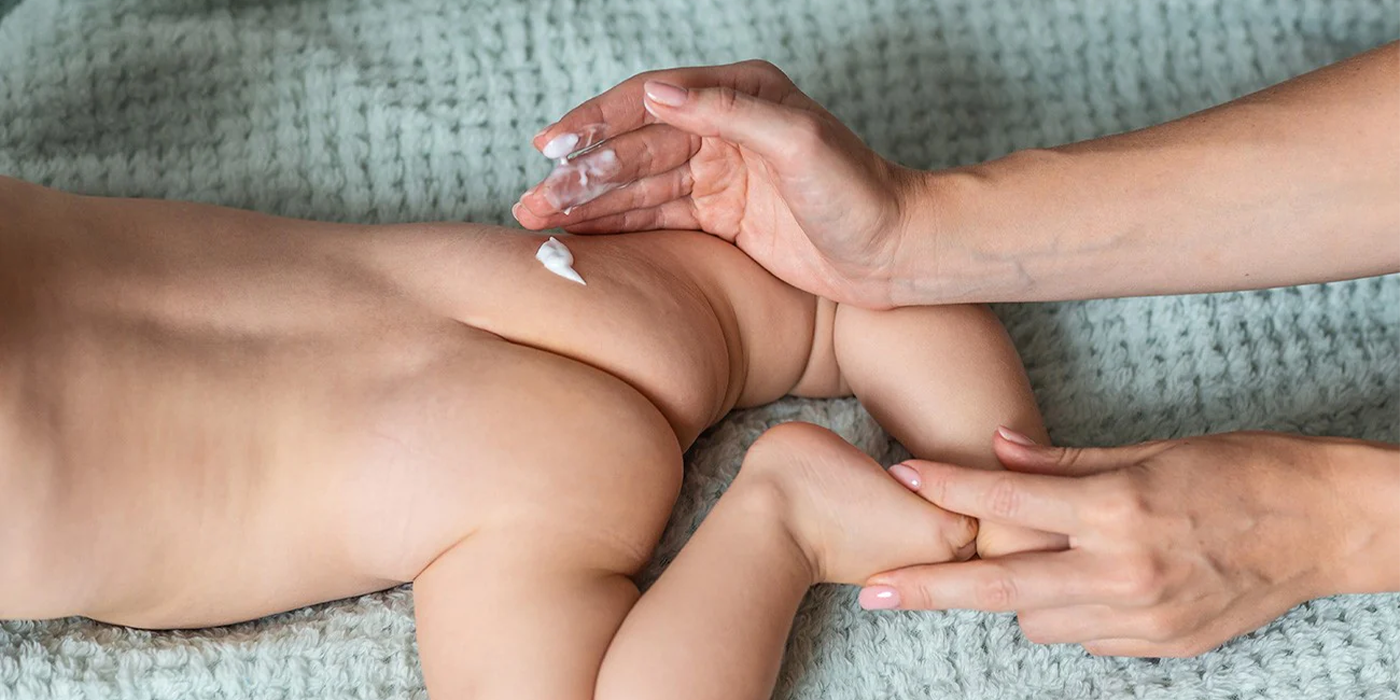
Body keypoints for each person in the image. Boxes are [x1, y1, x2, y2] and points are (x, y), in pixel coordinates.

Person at [0, 173, 1044, 698]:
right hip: (531, 295)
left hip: (473, 484)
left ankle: (785, 517)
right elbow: (865, 286)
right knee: (839, 302)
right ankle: (1013, 495)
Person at [516, 42, 1400, 657]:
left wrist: (1332, 515)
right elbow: (851, 307)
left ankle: (782, 517)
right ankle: (786, 508)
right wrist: (912, 235)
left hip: (480, 447)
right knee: (845, 300)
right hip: (569, 355)